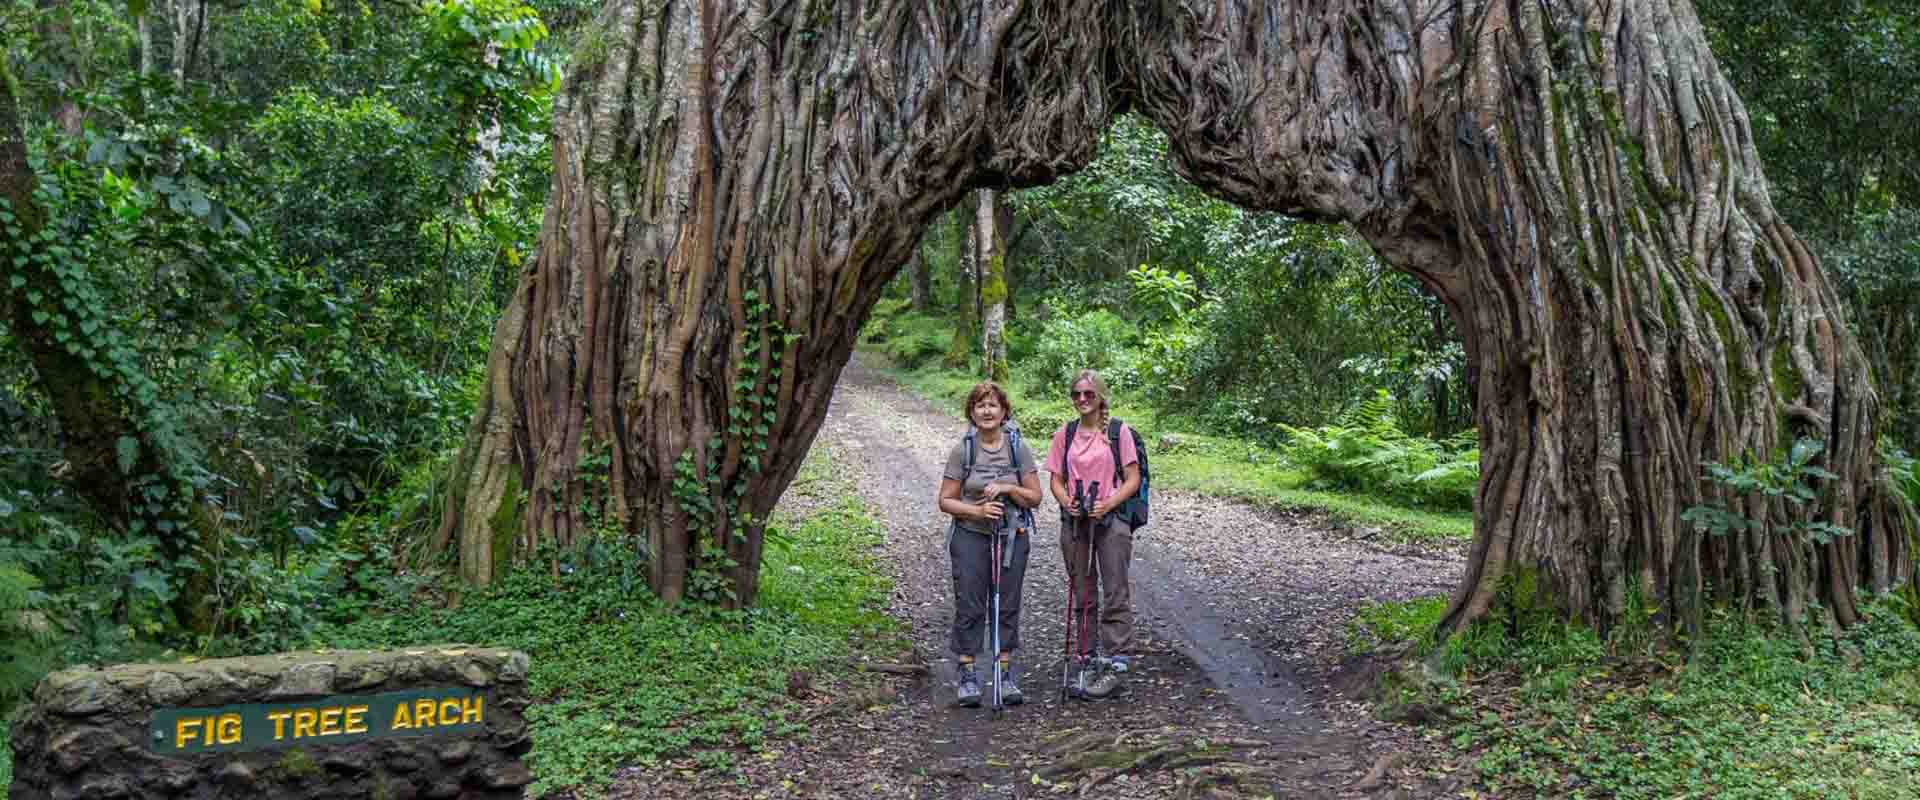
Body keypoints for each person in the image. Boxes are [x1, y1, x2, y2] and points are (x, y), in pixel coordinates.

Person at [937, 381, 1044, 708]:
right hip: (971, 535)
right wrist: (978, 510)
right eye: (980, 405)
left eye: (992, 405)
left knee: (1006, 603)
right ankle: (968, 673)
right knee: (970, 602)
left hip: (1012, 536)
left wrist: (1007, 489)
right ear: (972, 412)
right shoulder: (963, 449)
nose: (987, 411)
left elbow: (1036, 497)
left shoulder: (1017, 448)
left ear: (1004, 412)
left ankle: (1004, 672)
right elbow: (945, 501)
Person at [1046, 369, 1141, 699]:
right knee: (1082, 589)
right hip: (1075, 520)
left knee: (1115, 588)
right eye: (1076, 394)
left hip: (1111, 520)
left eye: (1088, 393)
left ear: (1100, 396)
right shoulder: (1066, 433)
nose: (1082, 399)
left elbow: (1132, 478)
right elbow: (1055, 479)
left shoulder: (1118, 432)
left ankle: (1116, 662)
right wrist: (1065, 501)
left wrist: (1108, 503)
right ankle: (1086, 657)